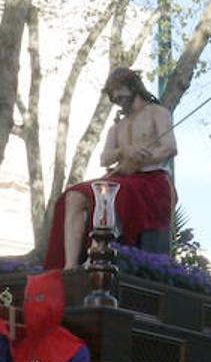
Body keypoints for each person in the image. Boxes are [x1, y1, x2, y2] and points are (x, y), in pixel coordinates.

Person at [44, 67, 177, 269]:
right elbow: (104, 158)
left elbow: (169, 147)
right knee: (73, 196)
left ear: (133, 86)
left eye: (118, 90)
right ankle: (70, 267)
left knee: (106, 195)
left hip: (150, 182)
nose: (116, 96)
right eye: (112, 93)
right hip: (120, 177)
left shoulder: (158, 113)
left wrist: (143, 160)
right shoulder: (117, 127)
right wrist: (125, 151)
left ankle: (98, 256)